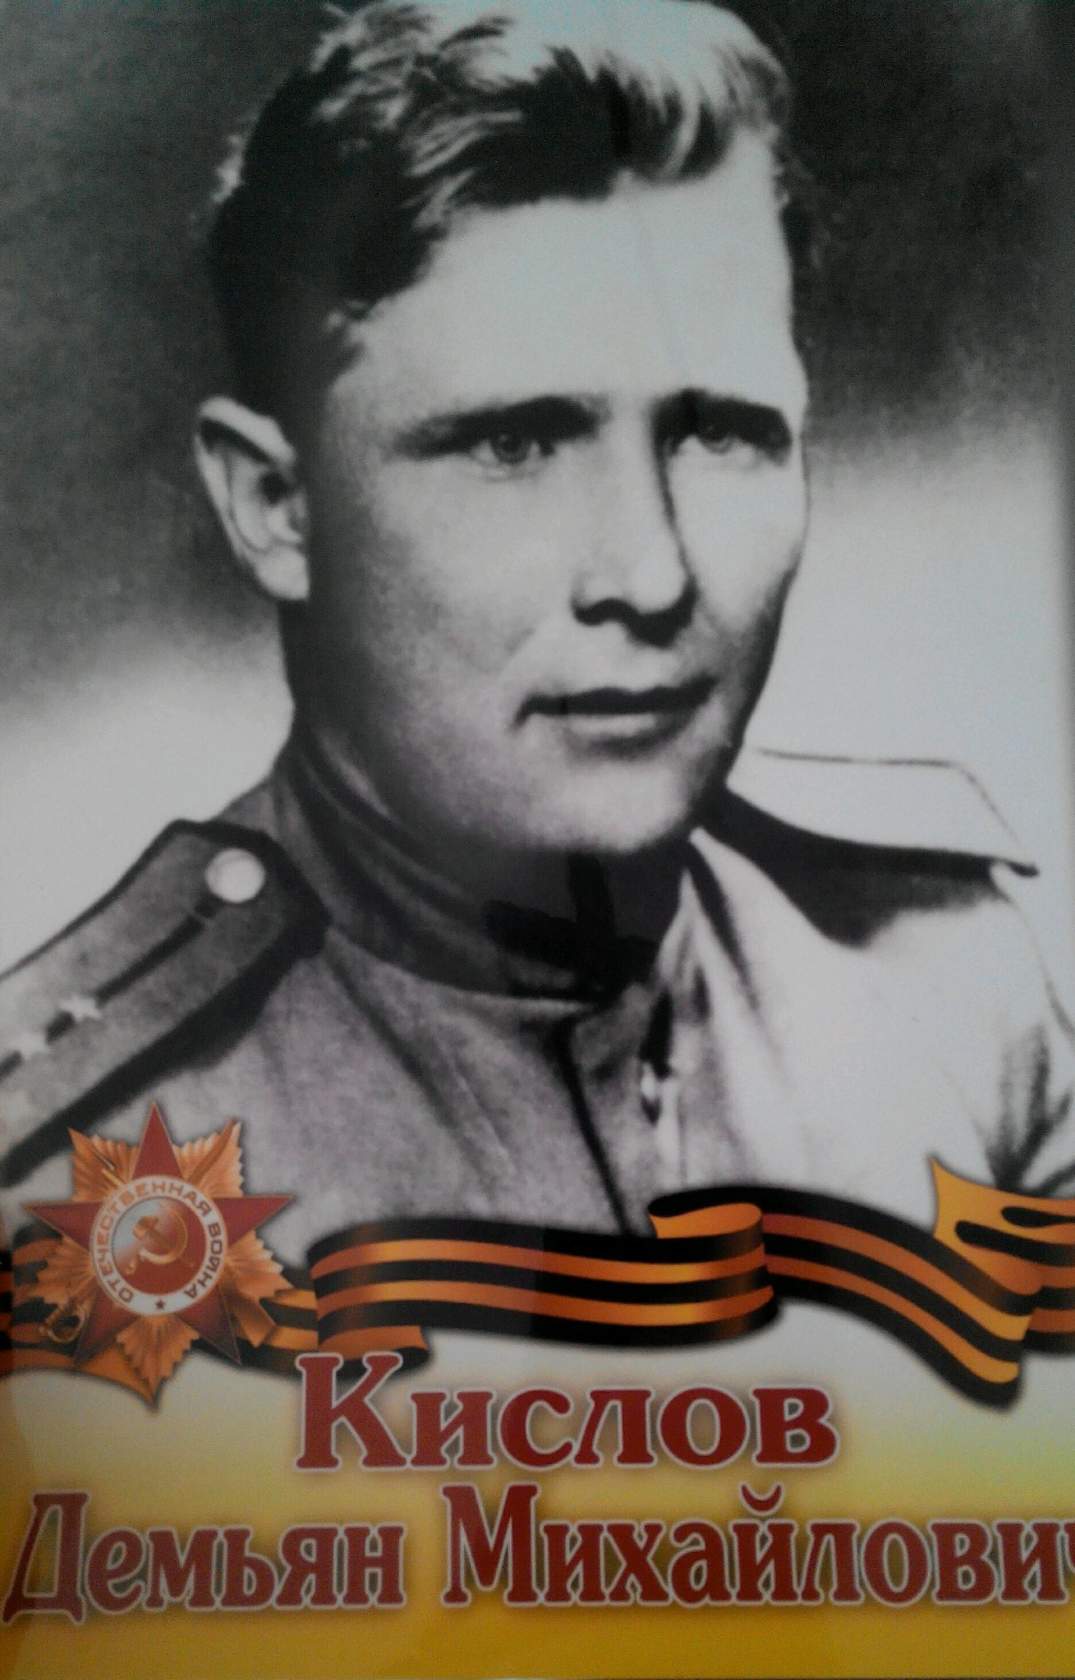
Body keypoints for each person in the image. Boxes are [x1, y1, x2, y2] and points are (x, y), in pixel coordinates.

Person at [2, 0, 1072, 1270]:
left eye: (720, 432)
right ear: (277, 507)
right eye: (512, 444)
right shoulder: (70, 1161)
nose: (651, 573)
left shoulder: (954, 994)